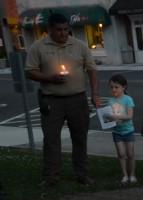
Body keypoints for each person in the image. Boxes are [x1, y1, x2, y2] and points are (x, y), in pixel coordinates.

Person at [25, 12, 100, 187]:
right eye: (59, 30)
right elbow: (29, 71)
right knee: (51, 139)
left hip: (77, 99)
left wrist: (95, 93)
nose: (63, 33)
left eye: (66, 29)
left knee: (80, 138)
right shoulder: (38, 47)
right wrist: (48, 78)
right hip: (51, 100)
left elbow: (92, 70)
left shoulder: (80, 46)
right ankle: (51, 177)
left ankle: (82, 174)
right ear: (49, 29)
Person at [104, 74, 136, 185]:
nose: (113, 89)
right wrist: (110, 120)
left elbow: (130, 116)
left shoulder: (128, 99)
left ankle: (132, 174)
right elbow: (108, 118)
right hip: (117, 132)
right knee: (121, 154)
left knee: (130, 153)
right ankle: (125, 175)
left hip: (128, 131)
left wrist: (117, 117)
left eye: (116, 87)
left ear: (124, 87)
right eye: (111, 87)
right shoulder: (110, 101)